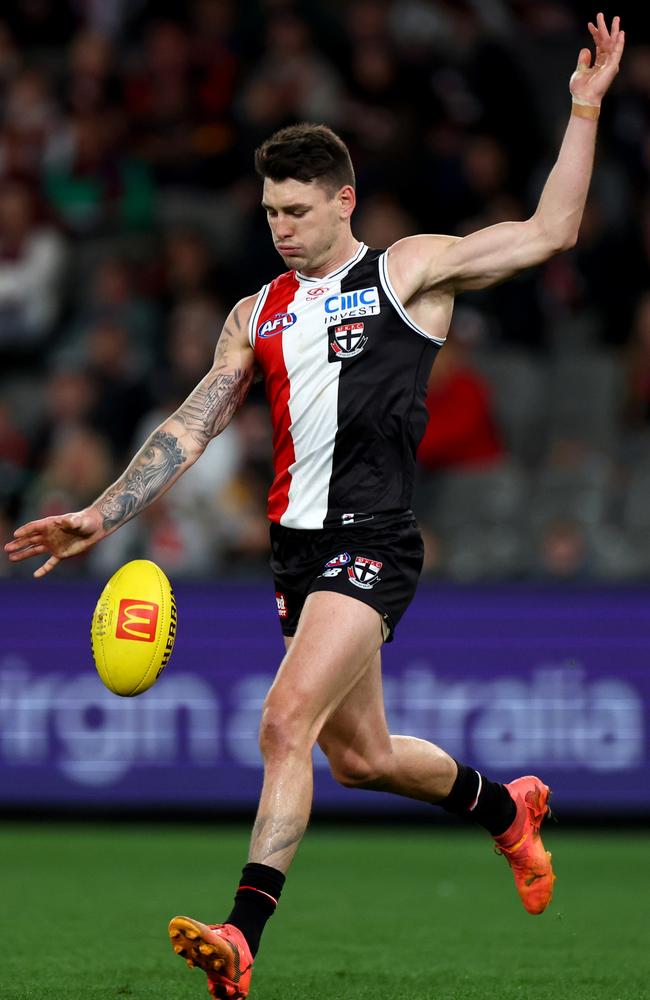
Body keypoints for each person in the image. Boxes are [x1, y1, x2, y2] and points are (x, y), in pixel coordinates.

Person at [5, 14, 624, 999]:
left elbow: (549, 232)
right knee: (361, 758)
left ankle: (242, 935)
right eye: (267, 214)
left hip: (373, 540)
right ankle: (507, 808)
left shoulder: (405, 274)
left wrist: (583, 110)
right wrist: (100, 513)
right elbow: (192, 423)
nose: (280, 228)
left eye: (296, 210)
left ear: (343, 201)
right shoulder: (256, 313)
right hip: (295, 556)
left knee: (282, 721)